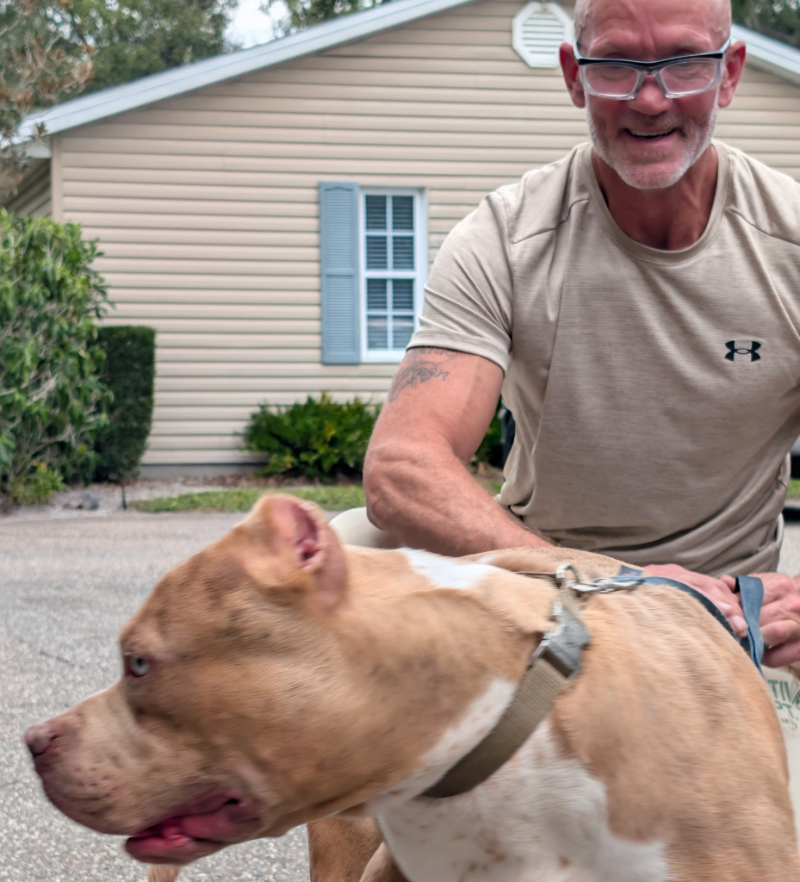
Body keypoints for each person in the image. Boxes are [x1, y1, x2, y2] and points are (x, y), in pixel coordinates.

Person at [350, 0, 800, 669]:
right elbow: (400, 468)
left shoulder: (789, 242)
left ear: (728, 74)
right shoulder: (505, 239)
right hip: (547, 591)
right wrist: (601, 581)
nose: (650, 100)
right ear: (574, 75)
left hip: (734, 612)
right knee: (327, 555)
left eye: (682, 65)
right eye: (617, 65)